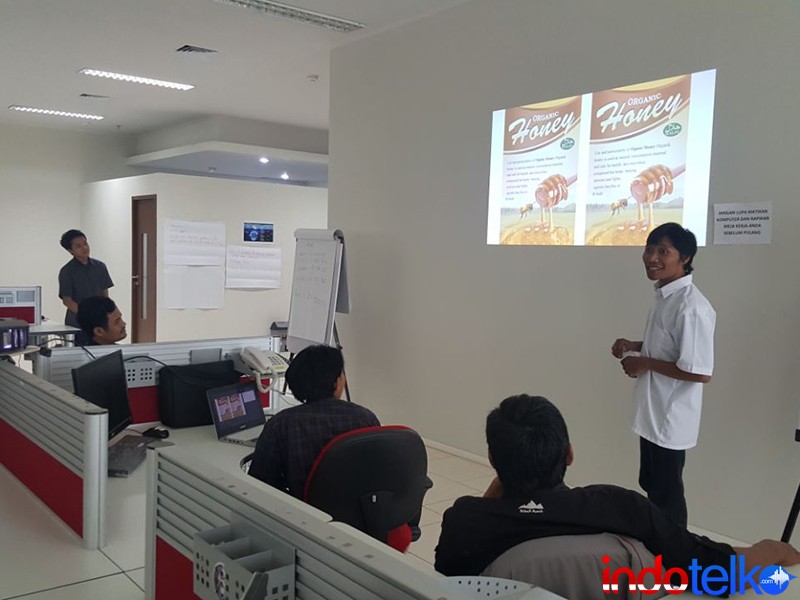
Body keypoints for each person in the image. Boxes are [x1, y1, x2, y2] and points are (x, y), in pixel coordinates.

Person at [435, 395, 800, 585]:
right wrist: (773, 550)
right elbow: (713, 569)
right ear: (570, 454)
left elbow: (451, 581)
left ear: (491, 460)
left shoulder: (464, 521)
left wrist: (501, 484)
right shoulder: (619, 507)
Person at [611, 222, 715, 528]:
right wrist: (634, 345)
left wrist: (644, 363)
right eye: (649, 249)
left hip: (670, 417)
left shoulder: (692, 307)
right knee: (651, 483)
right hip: (653, 412)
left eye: (663, 251)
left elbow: (699, 372)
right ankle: (655, 540)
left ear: (685, 258)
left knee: (668, 495)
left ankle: (674, 550)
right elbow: (670, 347)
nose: (652, 257)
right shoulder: (666, 297)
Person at [248, 344, 380, 498]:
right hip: (359, 511)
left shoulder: (281, 425)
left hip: (302, 511)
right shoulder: (366, 418)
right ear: (337, 382)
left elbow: (260, 484)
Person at [58, 229, 113, 345]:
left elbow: (104, 292)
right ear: (70, 250)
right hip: (77, 322)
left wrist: (106, 312)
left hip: (99, 321)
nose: (84, 248)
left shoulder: (100, 266)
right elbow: (67, 301)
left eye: (85, 243)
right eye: (78, 246)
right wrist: (87, 315)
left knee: (100, 351)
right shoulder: (66, 271)